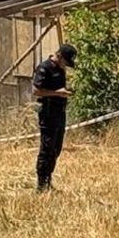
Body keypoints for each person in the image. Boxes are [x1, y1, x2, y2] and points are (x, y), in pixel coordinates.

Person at [31, 44, 77, 192]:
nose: (66, 66)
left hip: (59, 112)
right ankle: (41, 184)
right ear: (59, 56)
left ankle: (48, 179)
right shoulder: (44, 68)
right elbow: (36, 91)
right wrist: (57, 93)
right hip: (48, 113)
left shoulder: (60, 69)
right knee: (47, 148)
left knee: (56, 149)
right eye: (66, 62)